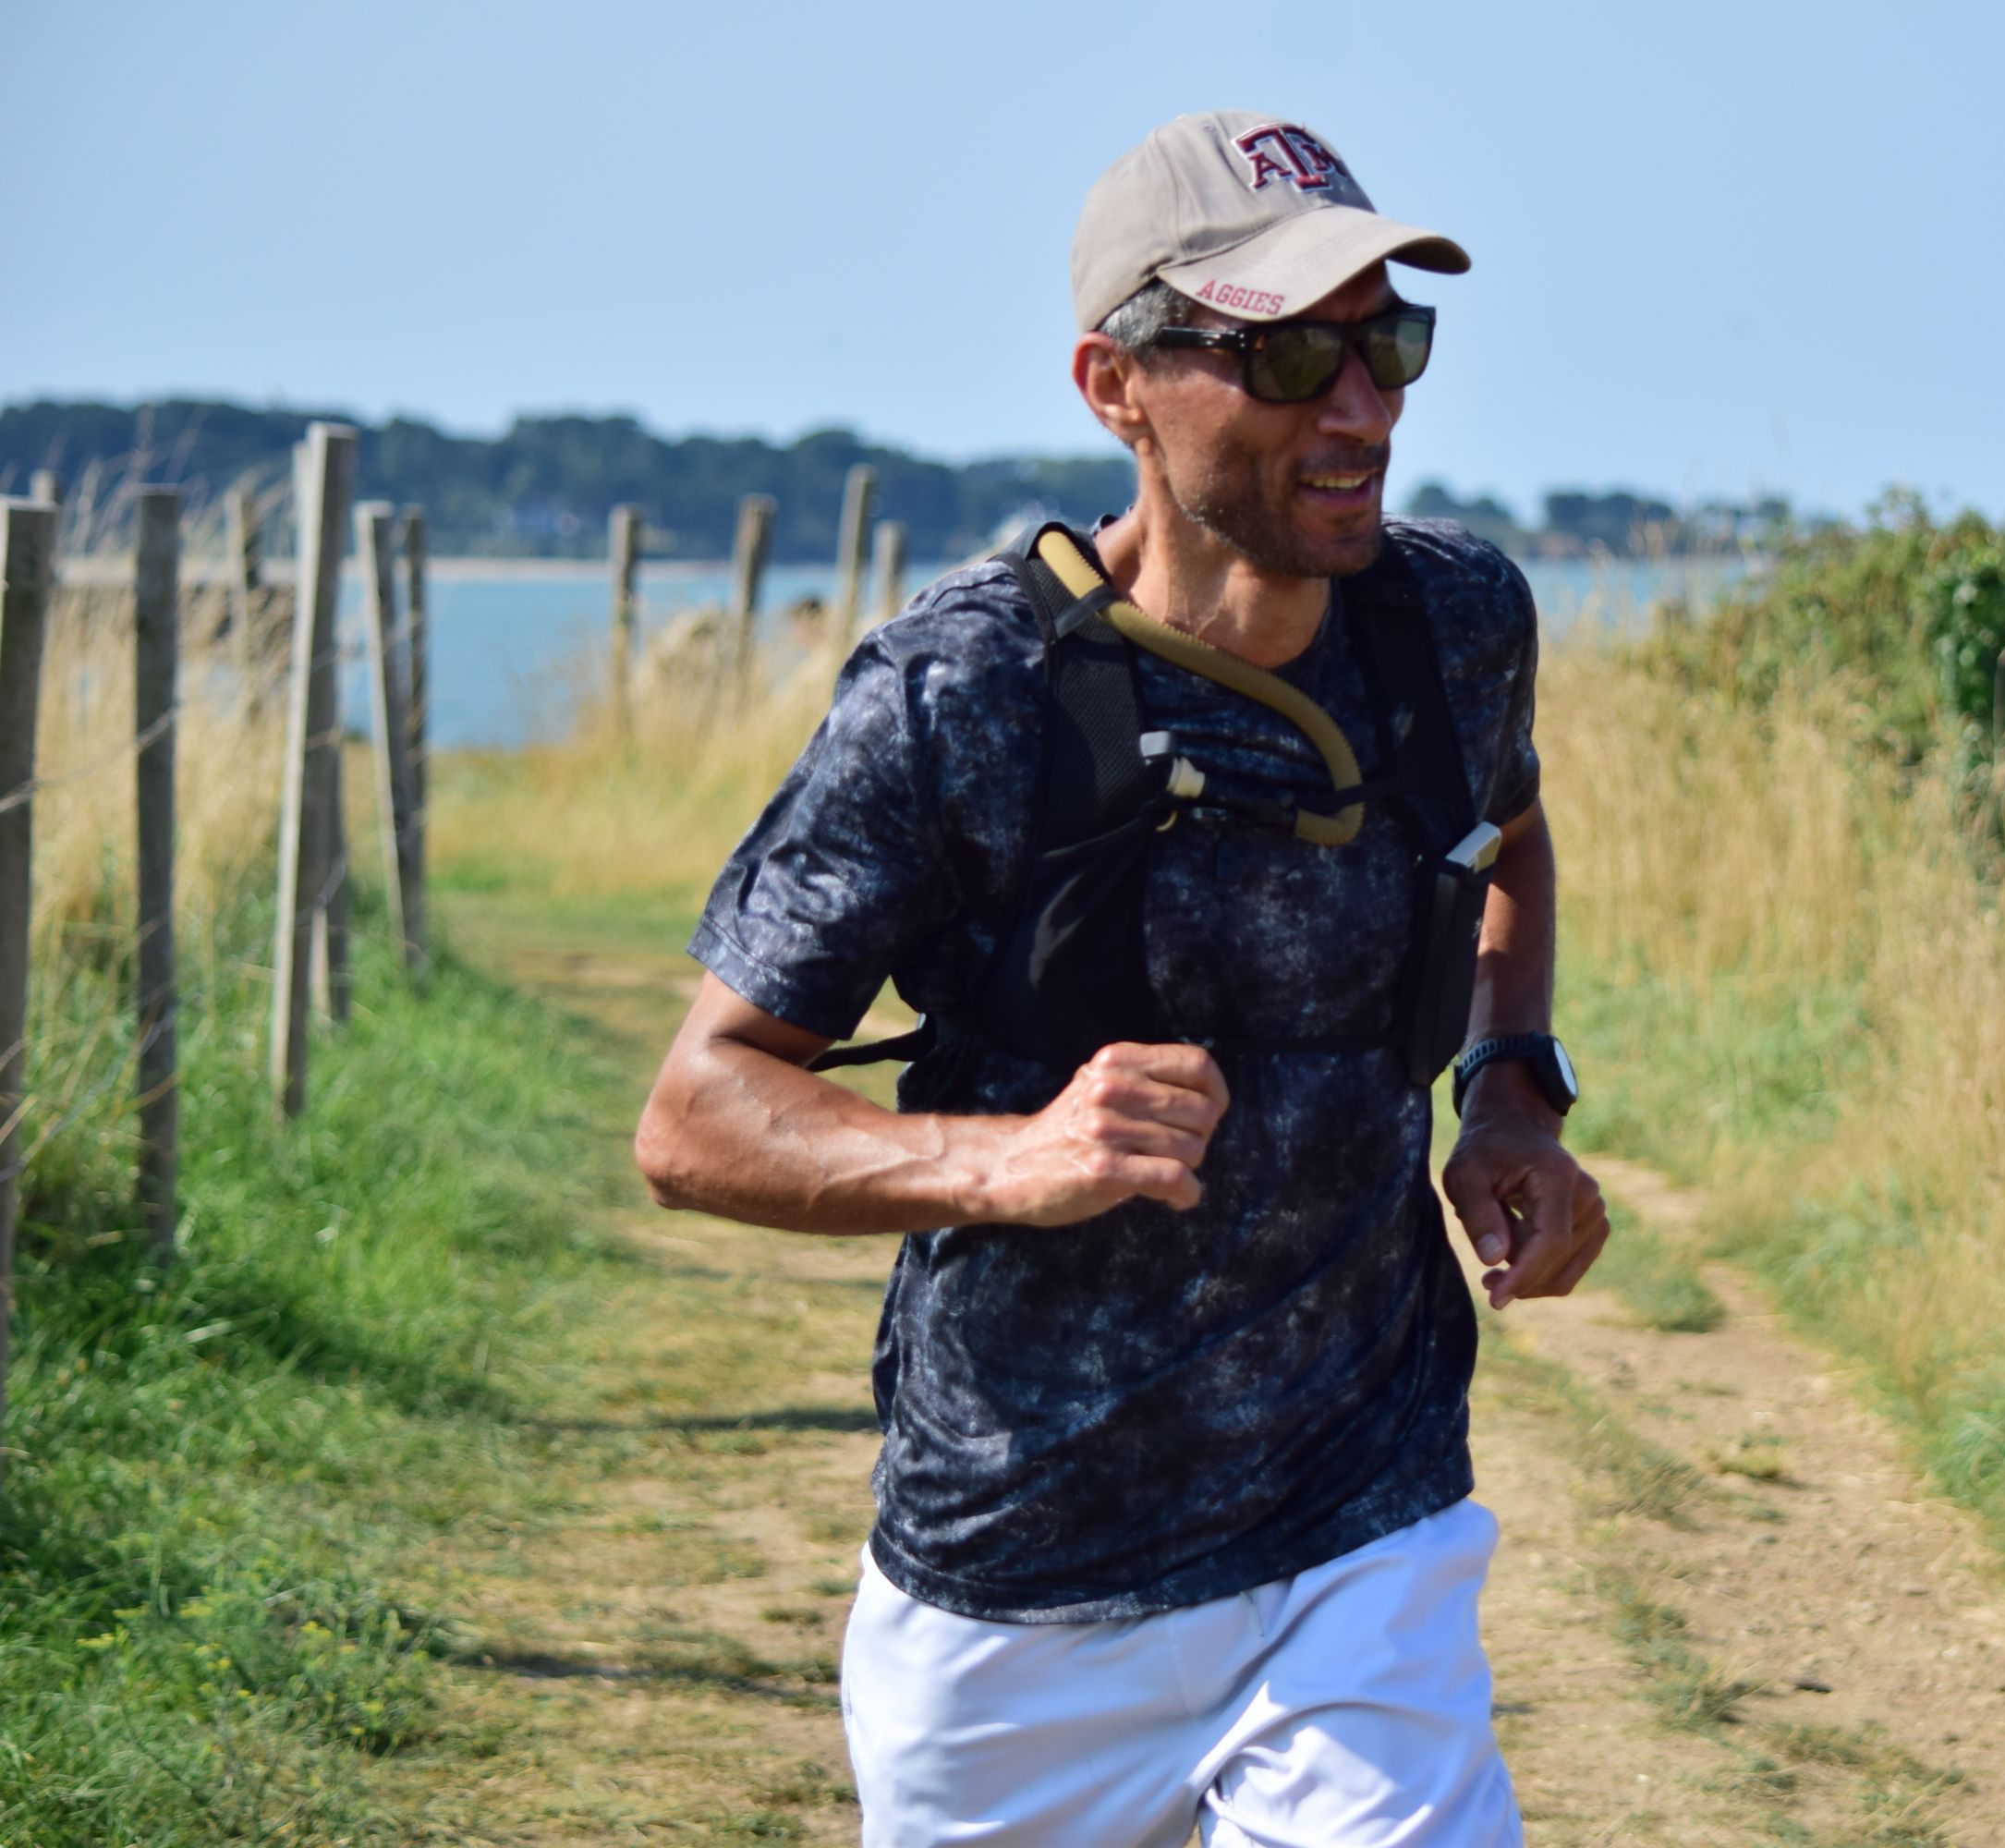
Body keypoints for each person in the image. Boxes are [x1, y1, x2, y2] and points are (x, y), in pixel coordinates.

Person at [635, 107, 1607, 1845]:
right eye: (1291, 353)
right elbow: (695, 1116)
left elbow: (1505, 843)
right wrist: (1008, 1160)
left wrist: (1510, 1091)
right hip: (1022, 1583)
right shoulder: (962, 697)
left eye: (1389, 341)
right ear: (1116, 385)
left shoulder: (1454, 626)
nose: (1364, 407)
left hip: (1363, 1523)